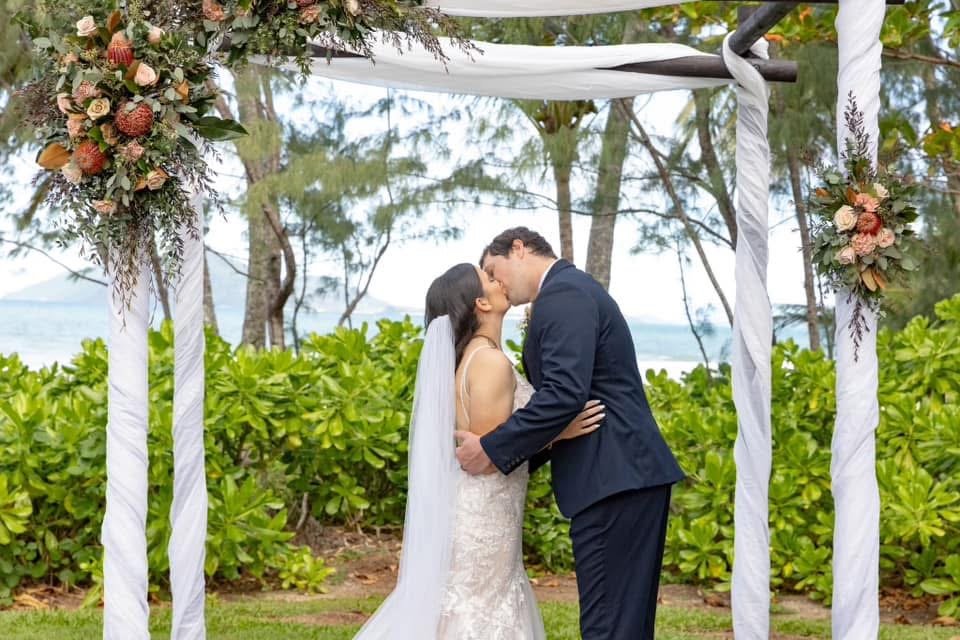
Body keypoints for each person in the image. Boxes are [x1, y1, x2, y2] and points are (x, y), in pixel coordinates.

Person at [456, 227, 685, 639]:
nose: (498, 283)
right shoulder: (568, 291)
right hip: (619, 477)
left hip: (613, 479)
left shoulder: (563, 295)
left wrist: (491, 449)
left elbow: (564, 393)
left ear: (519, 249)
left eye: (495, 269)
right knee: (621, 624)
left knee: (609, 625)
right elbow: (565, 401)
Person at [354, 262, 603, 640]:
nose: (498, 279)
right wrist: (560, 431)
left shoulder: (475, 356)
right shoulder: (488, 361)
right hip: (484, 513)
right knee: (479, 612)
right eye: (488, 278)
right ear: (480, 304)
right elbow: (489, 457)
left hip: (488, 510)